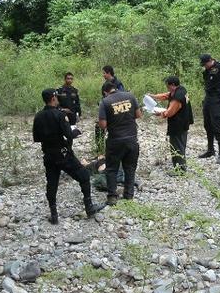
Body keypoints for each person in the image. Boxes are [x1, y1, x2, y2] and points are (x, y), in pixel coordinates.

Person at [33, 89, 105, 224]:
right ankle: (89, 207)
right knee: (83, 175)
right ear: (53, 98)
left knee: (52, 183)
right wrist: (76, 131)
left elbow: (37, 138)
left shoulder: (38, 116)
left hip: (48, 154)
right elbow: (69, 134)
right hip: (63, 153)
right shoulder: (60, 115)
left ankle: (54, 214)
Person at [98, 82, 142, 205]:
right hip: (132, 139)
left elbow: (103, 125)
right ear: (115, 88)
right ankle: (129, 195)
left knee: (112, 169)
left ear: (105, 92)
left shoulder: (105, 102)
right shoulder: (130, 96)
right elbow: (138, 115)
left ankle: (112, 197)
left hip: (115, 141)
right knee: (130, 168)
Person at [150, 76, 194, 174]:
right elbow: (167, 95)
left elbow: (170, 112)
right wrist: (153, 96)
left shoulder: (177, 98)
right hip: (183, 123)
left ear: (173, 85)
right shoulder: (181, 90)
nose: (167, 88)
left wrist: (159, 113)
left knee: (177, 147)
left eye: (168, 86)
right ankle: (180, 167)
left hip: (178, 125)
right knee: (180, 145)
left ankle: (180, 170)